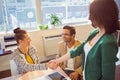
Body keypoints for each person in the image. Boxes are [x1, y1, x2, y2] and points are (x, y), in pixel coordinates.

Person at [48, 0, 120, 80]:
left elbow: (108, 77)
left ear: (102, 15)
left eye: (92, 14)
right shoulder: (94, 32)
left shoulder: (108, 42)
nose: (89, 17)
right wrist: (57, 61)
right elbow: (77, 50)